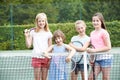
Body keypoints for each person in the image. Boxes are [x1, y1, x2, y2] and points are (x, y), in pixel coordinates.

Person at [24, 12, 53, 80]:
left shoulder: (48, 33)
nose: (41, 22)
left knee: (44, 79)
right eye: (39, 21)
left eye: (43, 21)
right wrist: (26, 37)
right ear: (37, 22)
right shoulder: (33, 32)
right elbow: (28, 45)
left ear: (45, 22)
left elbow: (50, 47)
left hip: (46, 58)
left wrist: (49, 59)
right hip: (36, 57)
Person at [87, 12, 112, 80]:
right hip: (96, 59)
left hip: (106, 58)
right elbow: (93, 46)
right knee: (91, 78)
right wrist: (92, 58)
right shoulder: (92, 33)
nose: (95, 22)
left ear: (101, 21)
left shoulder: (104, 32)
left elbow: (108, 47)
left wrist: (94, 50)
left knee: (105, 78)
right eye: (93, 21)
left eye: (97, 20)